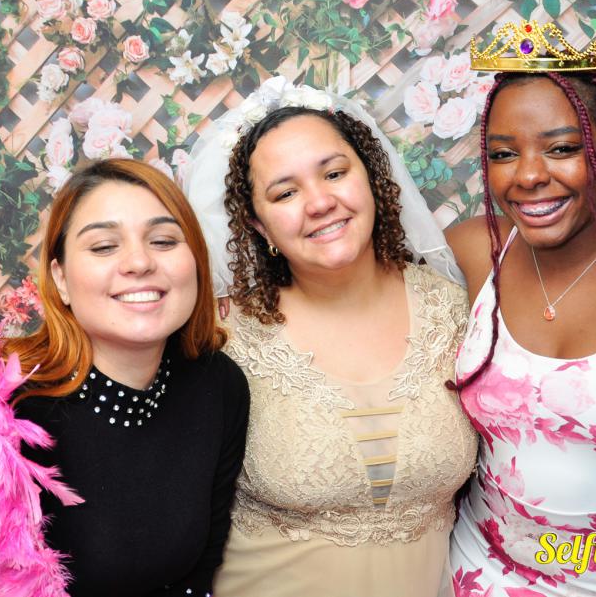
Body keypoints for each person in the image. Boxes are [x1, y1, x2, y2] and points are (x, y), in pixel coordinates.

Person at [186, 77, 478, 597]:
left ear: (370, 178)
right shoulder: (225, 336)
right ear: (259, 226)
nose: (319, 202)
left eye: (335, 173)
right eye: (286, 193)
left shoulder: (454, 310)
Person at [0, 159, 250, 597]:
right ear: (60, 279)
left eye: (163, 240)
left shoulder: (218, 385)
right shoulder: (7, 412)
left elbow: (201, 571)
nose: (139, 262)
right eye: (103, 246)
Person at [446, 21, 596, 596]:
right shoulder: (473, 252)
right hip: (476, 570)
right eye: (503, 154)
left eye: (562, 148)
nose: (530, 175)